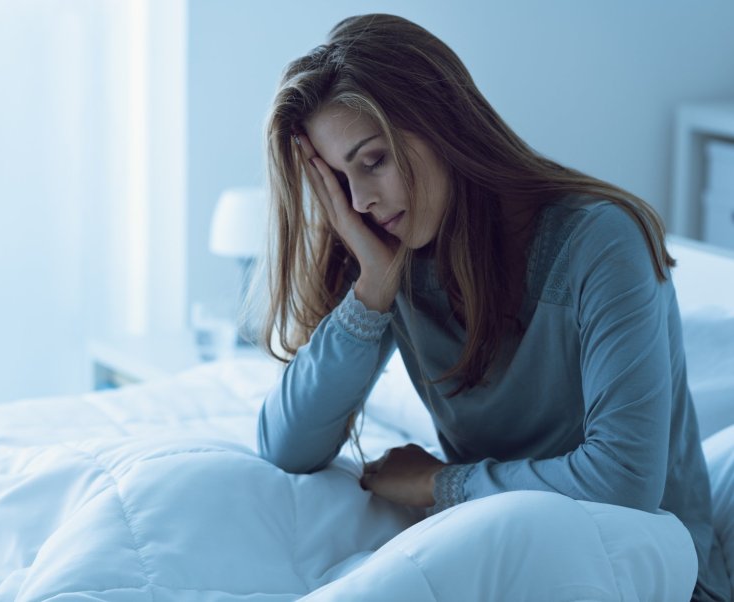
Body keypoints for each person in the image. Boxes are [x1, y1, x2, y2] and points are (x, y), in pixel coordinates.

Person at [254, 13, 729, 601]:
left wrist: (438, 483)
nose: (362, 200)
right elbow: (286, 446)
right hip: (500, 552)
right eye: (340, 180)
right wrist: (372, 289)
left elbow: (623, 482)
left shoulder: (600, 240)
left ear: (442, 123)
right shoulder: (392, 254)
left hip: (654, 572)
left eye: (373, 160)